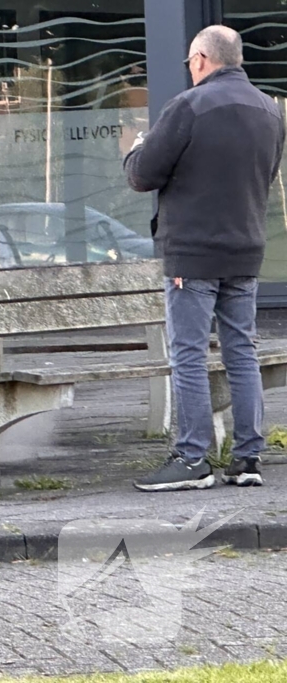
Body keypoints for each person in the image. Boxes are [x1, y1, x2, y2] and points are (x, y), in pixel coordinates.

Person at [124, 25, 285, 492]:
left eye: (189, 63)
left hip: (193, 253)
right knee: (242, 352)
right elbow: (267, 174)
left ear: (199, 59)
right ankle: (248, 458)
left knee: (190, 355)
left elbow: (143, 175)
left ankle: (192, 458)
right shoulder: (269, 110)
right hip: (246, 248)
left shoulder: (189, 106)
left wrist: (135, 148)